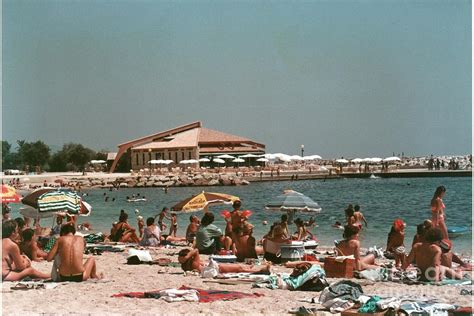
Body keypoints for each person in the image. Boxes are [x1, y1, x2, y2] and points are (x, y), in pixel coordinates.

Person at [178, 248, 270, 274]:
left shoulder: (188, 265)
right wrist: (188, 255)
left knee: (237, 267)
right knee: (238, 268)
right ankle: (260, 271)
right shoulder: (194, 262)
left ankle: (249, 267)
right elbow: (196, 250)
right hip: (216, 268)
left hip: (214, 267)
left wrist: (184, 258)